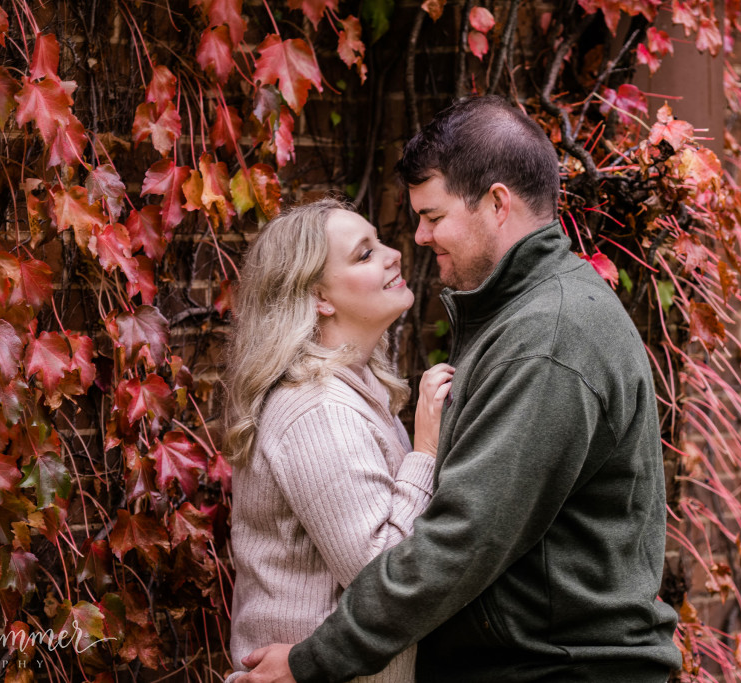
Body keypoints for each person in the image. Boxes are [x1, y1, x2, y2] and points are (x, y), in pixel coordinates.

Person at [240, 96, 682, 682]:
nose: (418, 238)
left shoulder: (547, 338)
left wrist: (312, 661)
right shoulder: (521, 316)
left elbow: (460, 542)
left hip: (553, 671)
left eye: (433, 216)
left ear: (497, 204)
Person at [224, 198, 455, 682]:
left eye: (379, 242)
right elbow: (382, 576)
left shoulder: (355, 388)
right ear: (320, 298)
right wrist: (426, 453)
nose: (394, 254)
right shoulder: (319, 410)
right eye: (365, 253)